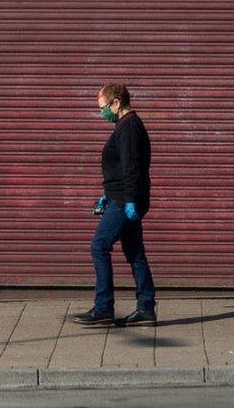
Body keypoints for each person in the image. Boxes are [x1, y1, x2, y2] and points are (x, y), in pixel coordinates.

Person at [73, 83, 157, 326]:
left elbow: (132, 168)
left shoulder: (129, 127)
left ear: (116, 102)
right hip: (120, 198)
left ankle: (103, 308)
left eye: (103, 108)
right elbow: (121, 168)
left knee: (99, 247)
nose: (102, 113)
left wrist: (129, 200)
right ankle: (146, 307)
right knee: (135, 253)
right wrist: (106, 195)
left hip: (124, 201)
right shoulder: (126, 125)